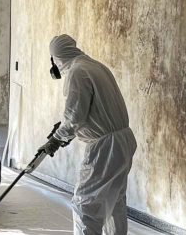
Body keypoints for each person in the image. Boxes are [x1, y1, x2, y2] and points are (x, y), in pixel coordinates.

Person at [39, 34, 137, 235]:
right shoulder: (95, 66)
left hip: (105, 148)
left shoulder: (77, 72)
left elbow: (75, 115)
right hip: (123, 140)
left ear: (56, 58)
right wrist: (67, 129)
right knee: (113, 201)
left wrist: (57, 139)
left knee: (86, 204)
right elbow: (95, 111)